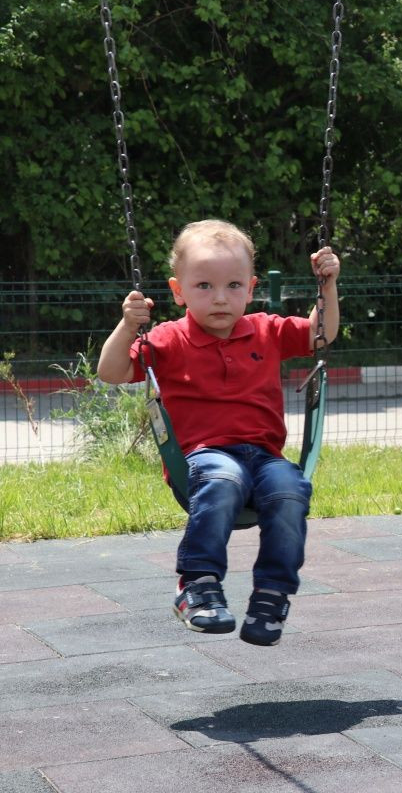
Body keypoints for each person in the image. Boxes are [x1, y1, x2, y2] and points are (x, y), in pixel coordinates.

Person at [98, 219, 341, 645]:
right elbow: (112, 371)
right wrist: (127, 325)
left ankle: (272, 592)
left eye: (233, 286)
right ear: (179, 291)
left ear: (250, 288)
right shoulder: (168, 339)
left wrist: (328, 284)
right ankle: (197, 585)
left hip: (265, 458)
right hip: (203, 457)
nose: (220, 298)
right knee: (223, 479)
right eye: (204, 286)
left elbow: (321, 334)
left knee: (291, 490)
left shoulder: (266, 330)